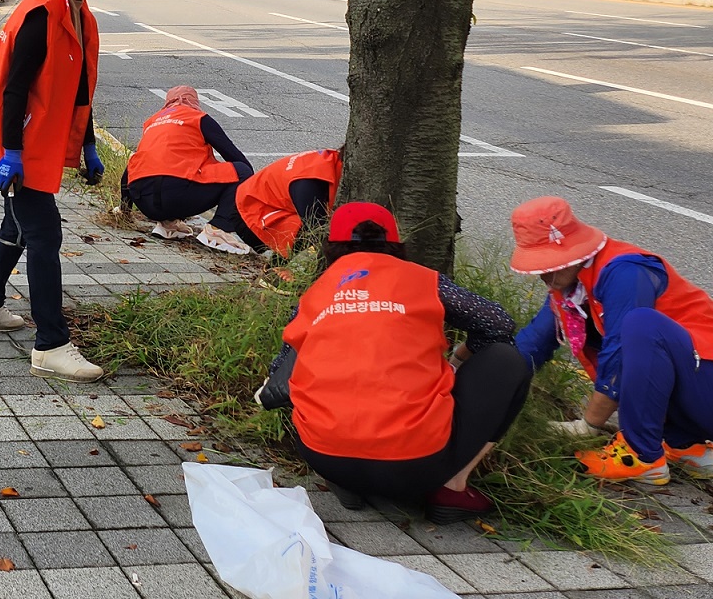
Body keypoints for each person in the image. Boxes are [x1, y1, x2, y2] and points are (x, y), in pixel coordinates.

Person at [257, 203, 531, 522]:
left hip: (325, 456)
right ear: (396, 246)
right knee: (508, 359)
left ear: (330, 248)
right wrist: (458, 358)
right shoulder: (426, 282)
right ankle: (451, 488)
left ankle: (347, 480)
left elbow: (280, 376)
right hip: (415, 465)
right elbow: (499, 325)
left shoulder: (315, 294)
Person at [0, 0, 128, 381]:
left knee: (17, 226)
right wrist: (10, 152)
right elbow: (14, 90)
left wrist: (88, 143)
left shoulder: (79, 11)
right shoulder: (40, 11)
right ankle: (50, 344)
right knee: (45, 235)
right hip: (18, 140)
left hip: (40, 139)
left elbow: (78, 88)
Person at [508, 196, 713, 484]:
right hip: (695, 392)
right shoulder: (569, 290)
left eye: (550, 264)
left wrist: (588, 425)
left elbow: (618, 354)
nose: (545, 274)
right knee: (640, 347)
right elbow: (533, 344)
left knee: (641, 325)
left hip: (707, 386)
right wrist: (483, 390)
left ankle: (642, 457)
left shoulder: (624, 272)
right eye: (539, 266)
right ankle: (683, 444)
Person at [119, 85, 252, 239]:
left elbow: (133, 166)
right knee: (242, 171)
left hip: (145, 202)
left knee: (145, 163)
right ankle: (218, 228)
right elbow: (233, 155)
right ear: (195, 102)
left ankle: (168, 223)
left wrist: (125, 210)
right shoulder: (198, 118)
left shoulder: (152, 121)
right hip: (179, 195)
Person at [199, 147, 343, 257]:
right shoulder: (310, 181)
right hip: (250, 216)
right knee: (313, 233)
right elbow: (316, 228)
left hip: (253, 202)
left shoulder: (329, 161)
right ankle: (275, 273)